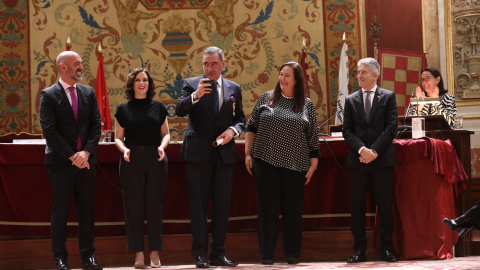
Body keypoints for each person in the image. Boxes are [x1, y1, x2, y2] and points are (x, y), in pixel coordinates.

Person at [175, 46, 245, 268]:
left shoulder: (234, 88)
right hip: (198, 154)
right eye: (206, 64)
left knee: (222, 207)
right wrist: (196, 96)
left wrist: (233, 132)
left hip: (223, 154)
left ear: (224, 64)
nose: (209, 68)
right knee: (198, 206)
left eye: (214, 64)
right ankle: (200, 255)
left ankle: (218, 253)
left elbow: (241, 118)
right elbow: (179, 110)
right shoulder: (191, 84)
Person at [244, 61, 320, 265]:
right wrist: (247, 154)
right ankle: (266, 255)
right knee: (267, 209)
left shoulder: (306, 105)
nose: (282, 79)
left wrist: (313, 165)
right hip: (264, 161)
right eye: (281, 75)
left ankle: (292, 255)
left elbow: (313, 137)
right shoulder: (266, 99)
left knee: (292, 211)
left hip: (296, 164)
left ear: (297, 80)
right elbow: (251, 127)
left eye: (287, 75)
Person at [39, 51, 103, 270]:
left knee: (87, 212)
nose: (80, 67)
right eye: (76, 64)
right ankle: (60, 259)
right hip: (60, 164)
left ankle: (89, 258)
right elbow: (49, 130)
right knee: (61, 212)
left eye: (81, 64)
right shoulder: (48, 95)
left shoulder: (88, 92)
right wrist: (72, 156)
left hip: (86, 162)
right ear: (63, 67)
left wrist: (85, 153)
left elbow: (97, 125)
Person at [342, 57, 398, 263]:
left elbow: (391, 128)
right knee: (357, 207)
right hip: (358, 161)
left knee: (384, 205)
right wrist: (362, 150)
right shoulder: (350, 100)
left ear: (376, 75)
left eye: (363, 72)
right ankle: (359, 250)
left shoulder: (388, 97)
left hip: (382, 160)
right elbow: (347, 130)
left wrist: (373, 151)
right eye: (358, 72)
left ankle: (387, 249)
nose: (359, 76)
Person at [114, 68, 170, 269]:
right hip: (131, 159)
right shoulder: (123, 109)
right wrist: (124, 150)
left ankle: (155, 253)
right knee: (134, 207)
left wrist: (162, 148)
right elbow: (118, 138)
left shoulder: (158, 107)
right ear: (132, 84)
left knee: (155, 206)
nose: (141, 83)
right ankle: (138, 254)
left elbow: (166, 134)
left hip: (156, 157)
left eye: (145, 80)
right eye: (138, 80)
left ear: (149, 83)